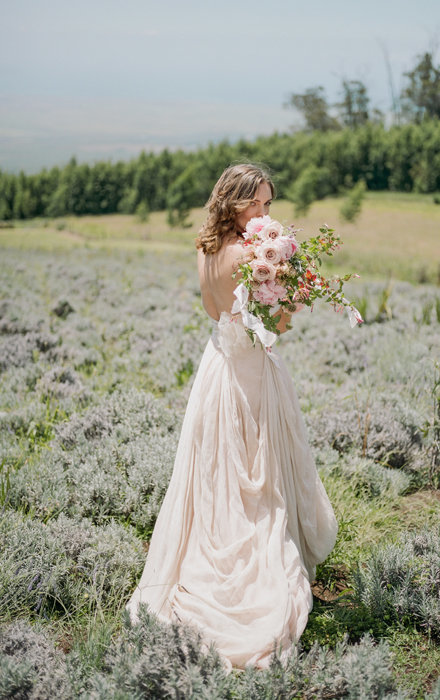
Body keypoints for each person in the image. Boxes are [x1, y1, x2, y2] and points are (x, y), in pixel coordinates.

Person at [126, 163, 338, 670]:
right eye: (258, 204)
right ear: (235, 202)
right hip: (250, 374)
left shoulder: (205, 249)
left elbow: (211, 309)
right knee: (256, 478)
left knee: (217, 471)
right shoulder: (250, 256)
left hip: (217, 366)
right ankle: (252, 575)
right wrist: (293, 297)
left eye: (268, 204)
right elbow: (278, 325)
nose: (266, 214)